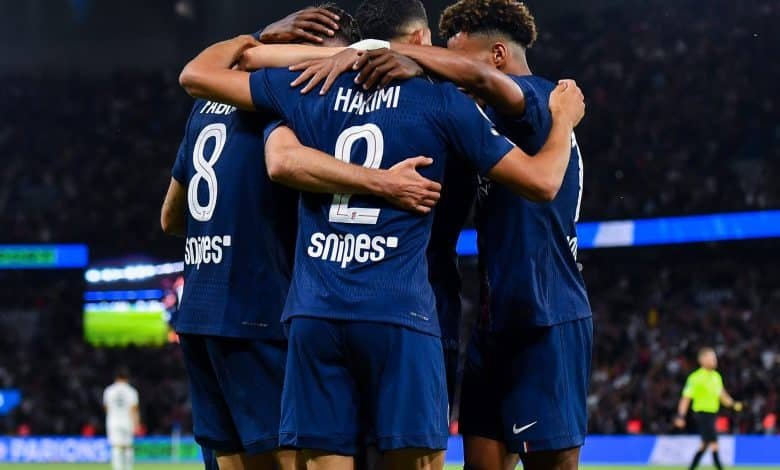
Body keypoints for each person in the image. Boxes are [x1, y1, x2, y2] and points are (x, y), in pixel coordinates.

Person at [178, 28, 584, 470]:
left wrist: (256, 40)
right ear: (418, 39)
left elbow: (205, 76)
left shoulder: (308, 88)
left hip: (315, 312)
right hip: (401, 312)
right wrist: (563, 119)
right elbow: (540, 181)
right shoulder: (442, 101)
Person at [289, 1, 592, 468]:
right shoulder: (478, 120)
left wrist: (408, 54)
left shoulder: (541, 100)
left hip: (547, 316)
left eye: (455, 60)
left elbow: (484, 82)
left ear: (496, 56)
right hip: (495, 321)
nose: (445, 71)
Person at [161, 5, 440, 470]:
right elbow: (284, 162)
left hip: (198, 314)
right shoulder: (286, 98)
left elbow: (171, 217)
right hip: (258, 310)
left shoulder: (206, 105)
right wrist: (382, 183)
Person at [675, 347, 743, 470]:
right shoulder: (695, 378)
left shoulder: (716, 377)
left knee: (704, 445)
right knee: (714, 443)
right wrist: (681, 416)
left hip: (712, 414)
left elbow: (722, 395)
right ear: (702, 360)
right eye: (712, 358)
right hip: (701, 414)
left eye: (714, 358)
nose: (714, 361)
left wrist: (733, 404)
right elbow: (686, 398)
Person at [103, 367, 140, 470]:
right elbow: (134, 409)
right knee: (128, 446)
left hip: (113, 421)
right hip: (127, 420)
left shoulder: (109, 390)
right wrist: (136, 424)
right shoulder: (131, 391)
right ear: (127, 378)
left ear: (116, 377)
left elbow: (106, 408)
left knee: (116, 446)